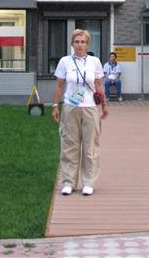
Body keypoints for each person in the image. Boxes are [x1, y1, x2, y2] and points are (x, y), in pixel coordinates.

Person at [52, 29, 109, 197]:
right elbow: (59, 86)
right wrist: (55, 105)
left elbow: (98, 85)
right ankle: (68, 182)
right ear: (72, 43)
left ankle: (88, 182)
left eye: (83, 42)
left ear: (87, 44)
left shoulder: (94, 62)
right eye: (76, 42)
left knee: (90, 146)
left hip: (90, 107)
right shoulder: (65, 62)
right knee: (69, 145)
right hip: (70, 107)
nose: (79, 45)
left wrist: (104, 105)